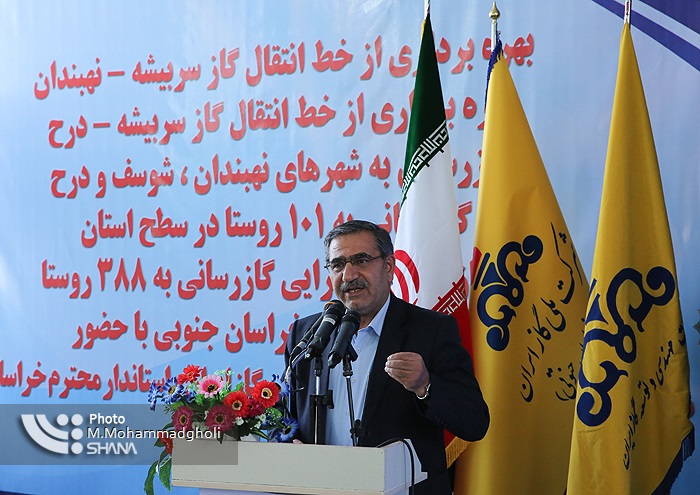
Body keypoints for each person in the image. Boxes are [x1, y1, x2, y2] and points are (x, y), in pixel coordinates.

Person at [285, 220, 489, 494]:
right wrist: (287, 445)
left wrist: (426, 385)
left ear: (389, 267)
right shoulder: (306, 334)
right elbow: (285, 417)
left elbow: (475, 422)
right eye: (337, 264)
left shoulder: (432, 330)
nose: (348, 275)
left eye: (361, 260)